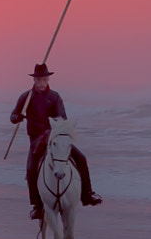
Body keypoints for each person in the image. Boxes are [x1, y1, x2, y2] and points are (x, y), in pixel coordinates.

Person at [11, 63, 102, 220]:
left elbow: (62, 118)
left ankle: (87, 194)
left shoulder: (54, 97)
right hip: (36, 141)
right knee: (31, 169)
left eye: (44, 79)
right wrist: (17, 117)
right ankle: (37, 206)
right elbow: (13, 117)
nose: (41, 83)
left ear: (48, 79)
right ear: (34, 80)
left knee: (81, 158)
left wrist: (56, 126)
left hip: (55, 138)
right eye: (38, 79)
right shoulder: (26, 97)